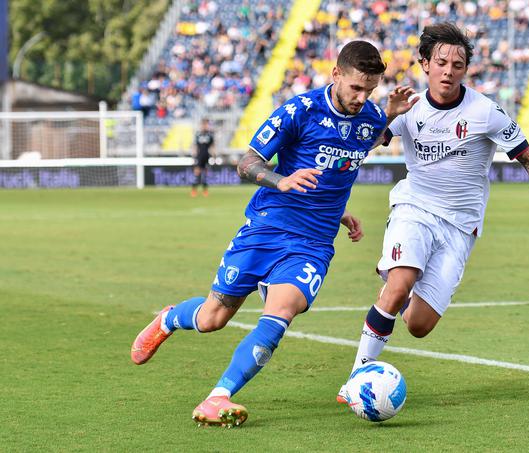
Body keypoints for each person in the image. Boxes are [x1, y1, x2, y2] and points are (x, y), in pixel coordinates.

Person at [131, 41, 412, 428]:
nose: (362, 98)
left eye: (370, 90)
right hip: (267, 226)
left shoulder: (372, 116)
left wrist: (339, 208)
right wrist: (281, 181)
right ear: (336, 75)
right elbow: (246, 163)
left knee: (281, 312)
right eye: (355, 89)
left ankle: (218, 396)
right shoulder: (300, 111)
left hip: (313, 242)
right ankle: (169, 319)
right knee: (213, 318)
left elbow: (354, 149)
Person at [337, 23, 529, 402]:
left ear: (465, 69)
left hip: (460, 226)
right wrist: (388, 114)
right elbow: (363, 145)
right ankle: (356, 378)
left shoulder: (485, 112)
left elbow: (528, 159)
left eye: (458, 64)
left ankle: (398, 284)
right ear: (425, 64)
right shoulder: (409, 109)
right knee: (399, 285)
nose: (449, 71)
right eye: (441, 62)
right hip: (415, 208)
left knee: (419, 325)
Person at [191, 118, 216, 197]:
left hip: (206, 156)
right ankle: (194, 190)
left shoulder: (210, 135)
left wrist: (214, 154)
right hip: (199, 156)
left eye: (206, 124)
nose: (205, 126)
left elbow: (212, 146)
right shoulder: (198, 134)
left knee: (205, 174)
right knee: (197, 173)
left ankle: (205, 191)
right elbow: (195, 145)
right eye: (203, 124)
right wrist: (194, 154)